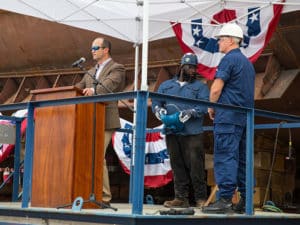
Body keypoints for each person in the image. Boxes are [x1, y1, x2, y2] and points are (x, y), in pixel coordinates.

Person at [202, 23, 255, 214]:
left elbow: (216, 88)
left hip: (228, 116)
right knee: (242, 159)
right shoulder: (248, 64)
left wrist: (212, 107)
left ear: (231, 40)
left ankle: (224, 200)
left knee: (225, 156)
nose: (218, 43)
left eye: (221, 39)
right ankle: (246, 200)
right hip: (244, 119)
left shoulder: (228, 60)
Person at [152, 53, 209, 208]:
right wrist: (158, 110)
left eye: (194, 68)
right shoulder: (166, 86)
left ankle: (200, 198)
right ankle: (181, 198)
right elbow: (156, 101)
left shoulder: (201, 87)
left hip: (192, 132)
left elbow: (204, 106)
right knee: (177, 164)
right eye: (189, 67)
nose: (192, 70)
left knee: (196, 165)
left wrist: (190, 113)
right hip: (172, 131)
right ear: (181, 67)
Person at [76, 37, 125, 205]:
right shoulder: (91, 70)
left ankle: (103, 197)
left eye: (96, 47)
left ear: (106, 50)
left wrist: (92, 90)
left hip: (106, 119)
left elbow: (108, 86)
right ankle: (88, 193)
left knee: (97, 156)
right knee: (87, 156)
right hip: (89, 118)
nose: (93, 50)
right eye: (91, 48)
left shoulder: (117, 68)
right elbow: (78, 87)